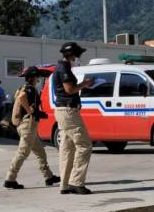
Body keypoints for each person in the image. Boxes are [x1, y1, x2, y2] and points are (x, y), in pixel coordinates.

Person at [4, 66, 60, 189]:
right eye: (38, 76)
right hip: (27, 126)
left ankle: (48, 177)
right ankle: (10, 178)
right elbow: (22, 97)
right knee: (22, 152)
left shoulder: (23, 87)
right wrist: (30, 111)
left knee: (40, 151)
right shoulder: (29, 89)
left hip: (27, 125)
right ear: (33, 77)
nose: (39, 78)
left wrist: (36, 112)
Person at [53, 42, 94, 195]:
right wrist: (85, 84)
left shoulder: (62, 67)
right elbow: (69, 89)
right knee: (84, 145)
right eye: (77, 55)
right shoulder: (63, 68)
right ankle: (76, 182)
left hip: (64, 110)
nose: (78, 58)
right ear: (71, 55)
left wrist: (83, 85)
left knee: (67, 149)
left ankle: (64, 184)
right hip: (68, 111)